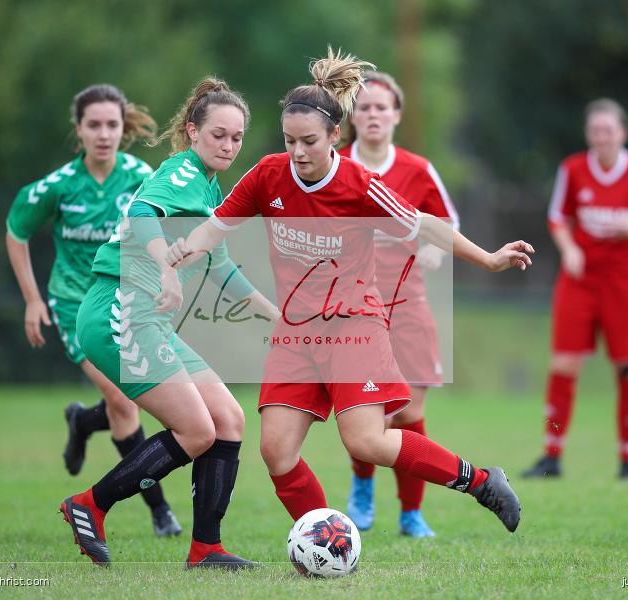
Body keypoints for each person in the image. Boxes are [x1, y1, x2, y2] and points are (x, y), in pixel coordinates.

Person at [166, 48, 533, 536]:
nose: (298, 152)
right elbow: (214, 229)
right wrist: (175, 259)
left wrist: (487, 257)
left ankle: (483, 482)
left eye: (310, 141)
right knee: (275, 450)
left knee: (367, 443)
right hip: (296, 332)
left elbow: (425, 224)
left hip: (353, 325)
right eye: (289, 140)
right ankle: (330, 542)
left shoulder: (360, 185)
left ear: (336, 136)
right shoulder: (267, 175)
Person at [59, 77, 276, 568]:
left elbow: (220, 268)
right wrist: (164, 269)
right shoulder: (181, 172)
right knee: (197, 431)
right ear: (193, 131)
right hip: (117, 309)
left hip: (147, 319)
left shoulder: (208, 187)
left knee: (228, 420)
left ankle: (207, 549)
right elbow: (139, 212)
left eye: (237, 137)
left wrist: (278, 315)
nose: (228, 145)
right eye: (218, 134)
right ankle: (88, 506)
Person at [5, 84, 181, 536]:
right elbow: (16, 230)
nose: (103, 133)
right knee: (125, 399)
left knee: (128, 401)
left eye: (112, 125)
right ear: (78, 129)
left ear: (124, 129)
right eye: (94, 125)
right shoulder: (60, 186)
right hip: (74, 307)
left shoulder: (140, 176)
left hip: (126, 303)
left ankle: (83, 420)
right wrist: (31, 299)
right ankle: (160, 512)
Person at [523, 98, 628, 482]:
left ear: (623, 132)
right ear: (588, 134)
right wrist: (570, 249)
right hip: (580, 280)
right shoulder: (573, 169)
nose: (602, 137)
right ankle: (552, 453)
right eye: (595, 131)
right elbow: (558, 217)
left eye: (609, 130)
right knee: (564, 365)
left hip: (626, 281)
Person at [337, 72, 460, 537]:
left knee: (408, 412)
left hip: (407, 304)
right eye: (364, 107)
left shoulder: (417, 168)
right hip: (350, 308)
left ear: (397, 115)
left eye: (381, 107)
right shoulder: (335, 164)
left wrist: (436, 248)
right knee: (369, 410)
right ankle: (363, 487)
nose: (372, 115)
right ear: (352, 116)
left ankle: (411, 511)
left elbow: (448, 221)